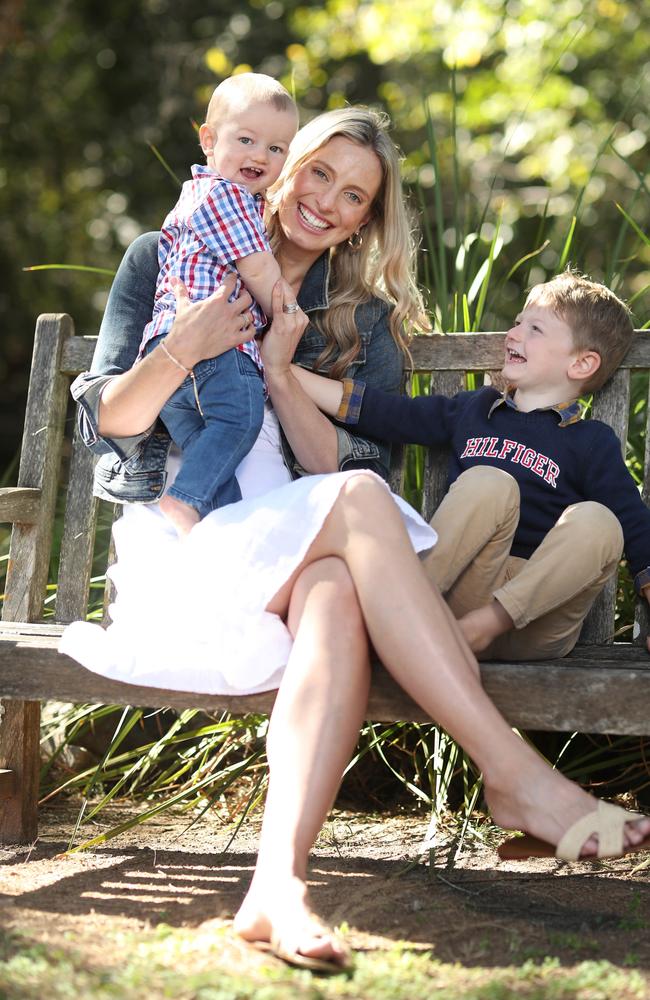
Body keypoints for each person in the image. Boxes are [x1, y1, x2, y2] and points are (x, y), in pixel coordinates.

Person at [60, 108, 650, 973]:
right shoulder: (167, 254)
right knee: (360, 506)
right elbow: (110, 422)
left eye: (355, 196)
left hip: (290, 556)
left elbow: (331, 463)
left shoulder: (358, 320)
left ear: (367, 219)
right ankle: (512, 774)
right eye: (318, 174)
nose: (328, 202)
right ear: (283, 165)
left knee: (337, 586)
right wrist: (186, 345)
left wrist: (277, 371)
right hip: (183, 550)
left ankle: (277, 886)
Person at [290, 270, 650, 661]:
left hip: (536, 616)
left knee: (601, 521)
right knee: (490, 482)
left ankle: (479, 626)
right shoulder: (475, 410)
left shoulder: (591, 441)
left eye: (535, 329)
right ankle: (403, 608)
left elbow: (634, 525)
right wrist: (281, 370)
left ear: (581, 364)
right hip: (464, 594)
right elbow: (385, 412)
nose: (513, 334)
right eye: (516, 324)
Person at [140, 73, 299, 536]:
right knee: (241, 420)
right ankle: (183, 499)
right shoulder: (224, 196)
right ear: (208, 140)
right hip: (214, 350)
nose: (260, 156)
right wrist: (289, 316)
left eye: (276, 148)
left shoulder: (199, 195)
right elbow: (259, 271)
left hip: (169, 359)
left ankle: (218, 527)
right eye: (246, 139)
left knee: (210, 453)